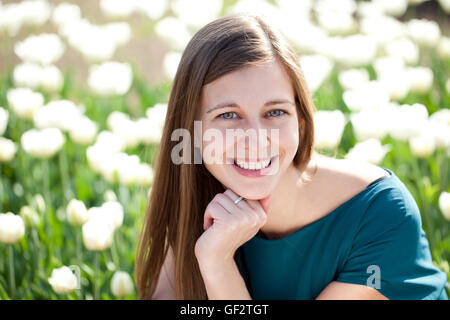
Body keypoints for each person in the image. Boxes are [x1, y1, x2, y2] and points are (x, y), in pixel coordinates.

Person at [134, 12, 449, 300]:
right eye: (229, 115)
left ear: (300, 121)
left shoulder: (377, 214)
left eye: (275, 112)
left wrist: (218, 265)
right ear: (192, 131)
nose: (256, 139)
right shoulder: (193, 201)